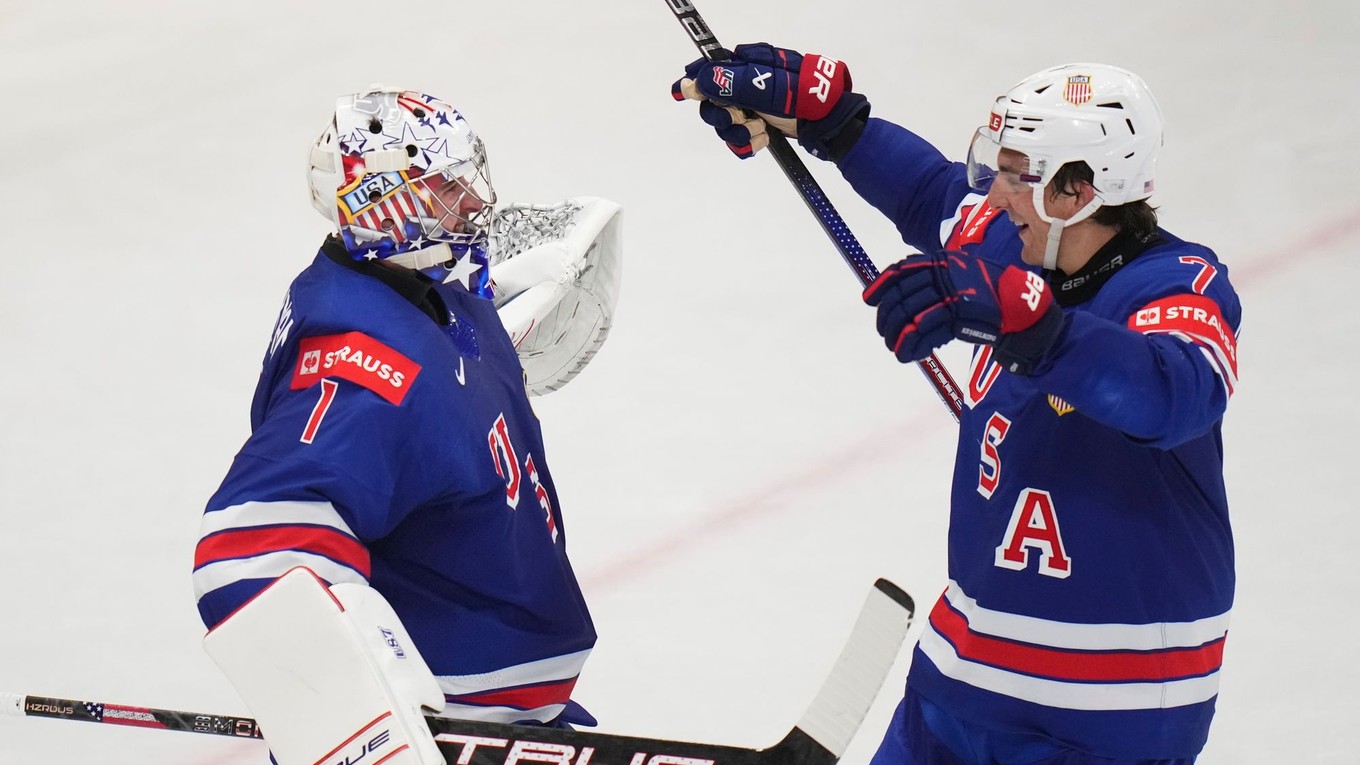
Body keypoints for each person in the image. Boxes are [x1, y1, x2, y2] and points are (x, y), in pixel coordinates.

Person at [674, 48, 1240, 765]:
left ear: (1078, 191)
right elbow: (932, 194)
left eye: (1017, 175)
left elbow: (1170, 392)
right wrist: (835, 121)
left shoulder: (1177, 286)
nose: (996, 196)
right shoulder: (1019, 244)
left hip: (1104, 715)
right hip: (959, 679)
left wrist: (1036, 327)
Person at [192, 86, 616, 765]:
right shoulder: (363, 369)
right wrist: (367, 728)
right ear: (384, 202)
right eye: (447, 187)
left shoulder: (418, 296)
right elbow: (250, 549)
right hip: (443, 732)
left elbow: (430, 411)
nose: (475, 202)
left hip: (498, 718)